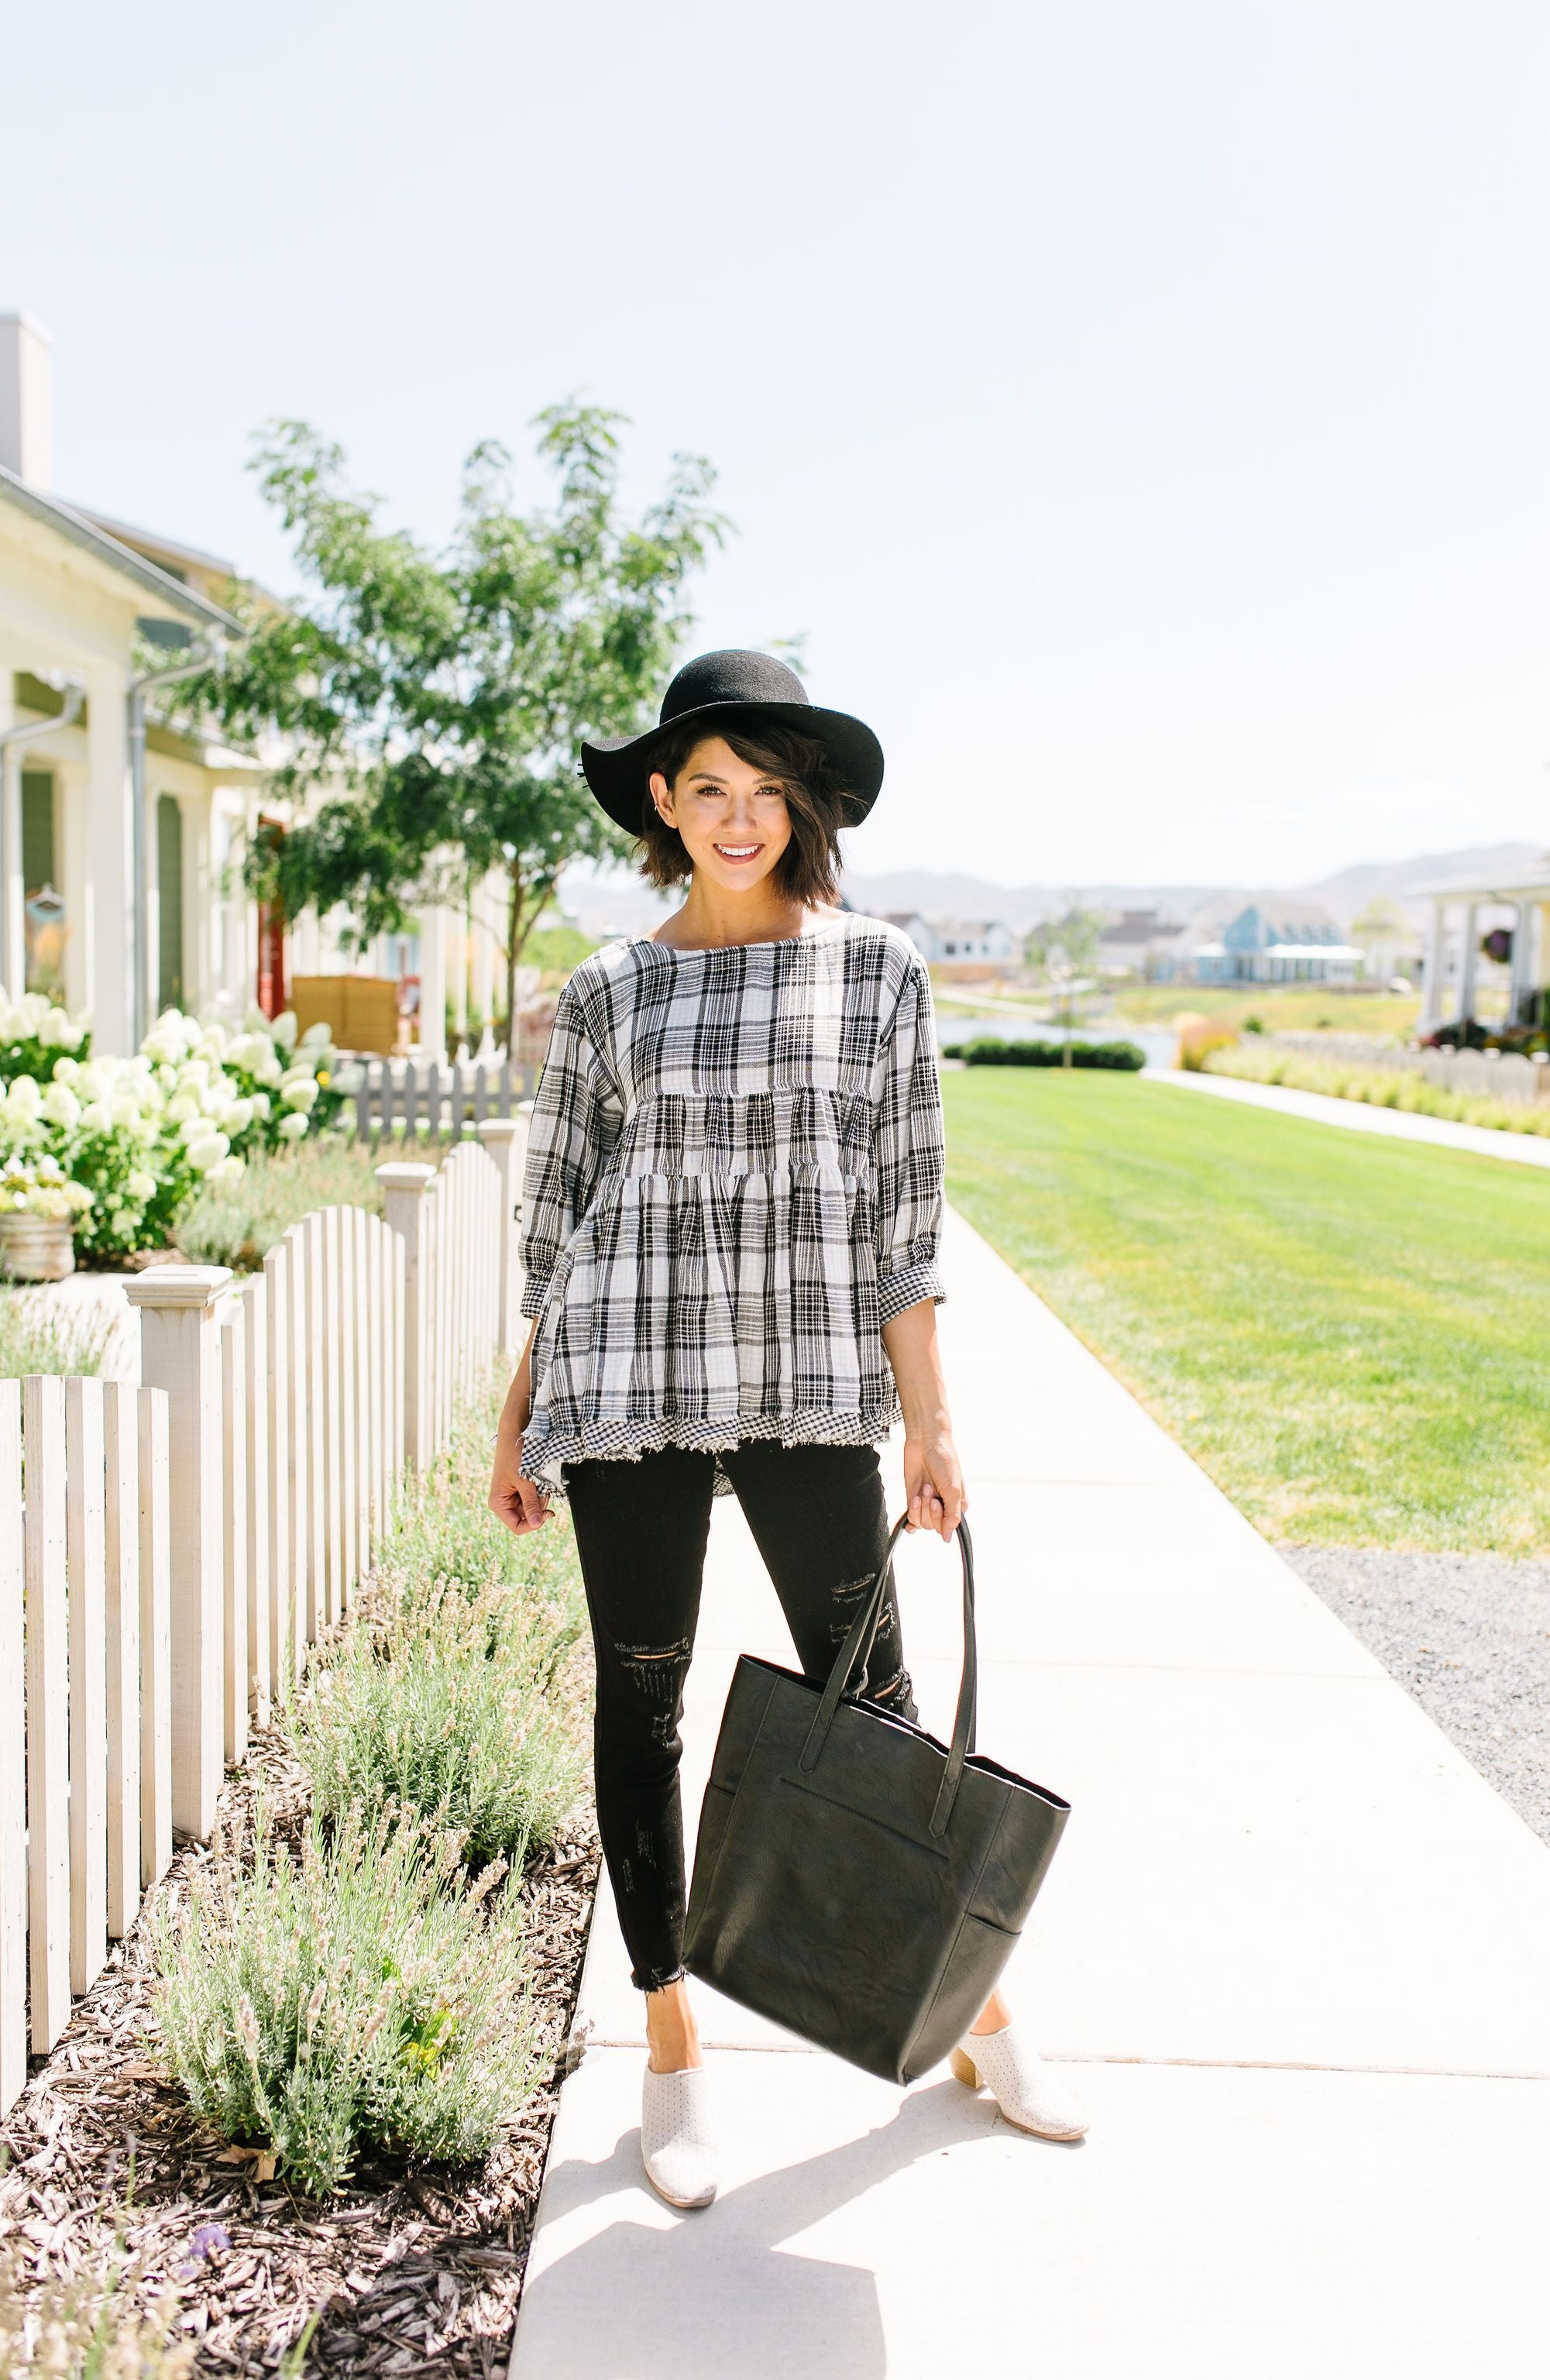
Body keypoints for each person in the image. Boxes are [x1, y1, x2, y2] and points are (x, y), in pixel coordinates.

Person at [490, 650, 1086, 2208]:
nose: (737, 818)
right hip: (627, 1387)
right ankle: (671, 2046)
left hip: (815, 1389)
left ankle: (976, 2013)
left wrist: (932, 1427)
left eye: (764, 793)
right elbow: (554, 1231)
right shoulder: (611, 992)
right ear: (660, 806)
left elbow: (904, 1224)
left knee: (873, 1708)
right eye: (707, 790)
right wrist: (519, 1417)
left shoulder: (877, 971)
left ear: (801, 810)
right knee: (644, 1703)